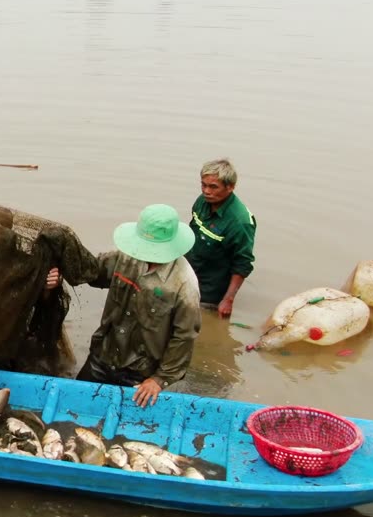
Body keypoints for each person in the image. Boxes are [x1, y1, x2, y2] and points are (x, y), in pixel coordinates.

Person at [46, 204, 202, 407]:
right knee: (75, 405)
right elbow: (93, 272)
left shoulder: (184, 285)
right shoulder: (125, 256)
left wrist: (159, 379)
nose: (146, 253)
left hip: (140, 371)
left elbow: (184, 338)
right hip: (103, 355)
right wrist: (58, 277)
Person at [185, 158, 256, 317]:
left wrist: (228, 300)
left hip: (211, 286)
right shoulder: (202, 201)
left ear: (230, 187)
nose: (206, 191)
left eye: (213, 187)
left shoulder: (240, 222)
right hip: (190, 270)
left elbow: (243, 263)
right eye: (203, 184)